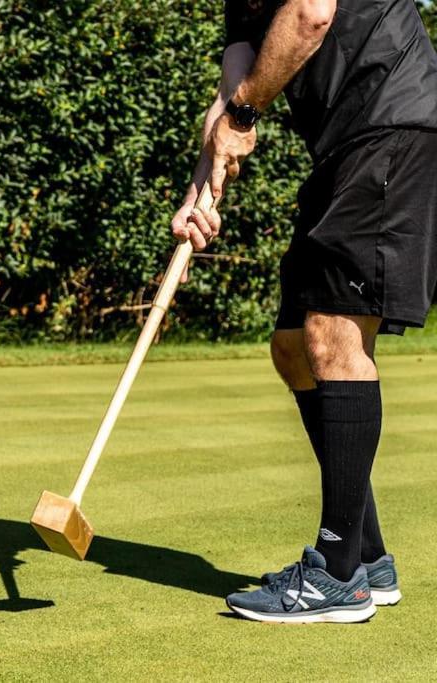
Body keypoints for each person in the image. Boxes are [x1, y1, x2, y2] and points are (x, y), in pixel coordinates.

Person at [171, 0, 437, 623]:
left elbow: (312, 13)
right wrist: (198, 191)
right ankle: (367, 557)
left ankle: (336, 573)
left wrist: (242, 112)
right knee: (293, 347)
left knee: (334, 335)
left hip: (394, 126)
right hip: (345, 148)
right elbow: (232, 94)